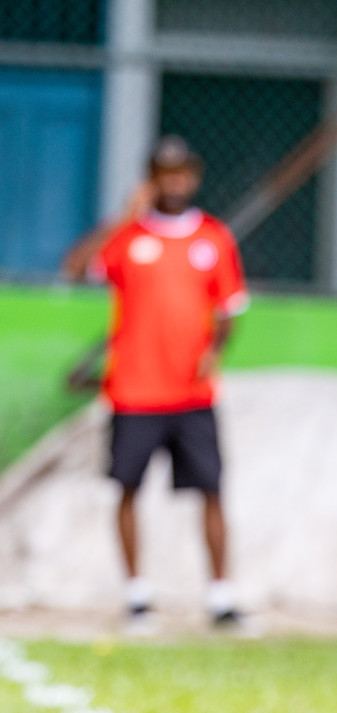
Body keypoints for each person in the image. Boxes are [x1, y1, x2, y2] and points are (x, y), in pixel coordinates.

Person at [61, 136, 249, 629]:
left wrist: (216, 348)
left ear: (194, 176)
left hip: (192, 392)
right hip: (134, 390)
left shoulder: (214, 237)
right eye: (165, 173)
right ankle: (137, 597)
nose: (175, 181)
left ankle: (221, 597)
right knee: (127, 489)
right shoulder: (127, 238)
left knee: (211, 490)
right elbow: (76, 268)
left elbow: (229, 307)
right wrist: (124, 216)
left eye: (182, 172)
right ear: (151, 179)